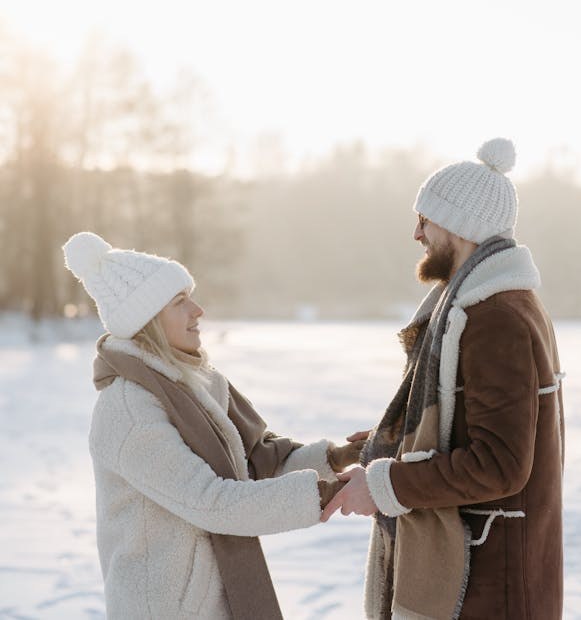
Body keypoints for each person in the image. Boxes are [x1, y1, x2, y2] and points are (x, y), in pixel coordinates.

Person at [322, 138, 566, 619]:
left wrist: (386, 485)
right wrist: (395, 442)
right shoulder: (487, 306)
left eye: (425, 219)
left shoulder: (496, 318)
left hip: (491, 585)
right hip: (485, 579)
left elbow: (499, 464)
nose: (417, 233)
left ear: (460, 225)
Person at [62, 232, 364, 620]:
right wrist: (326, 494)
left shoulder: (199, 384)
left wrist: (342, 456)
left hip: (219, 599)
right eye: (180, 302)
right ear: (148, 320)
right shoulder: (128, 409)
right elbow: (210, 501)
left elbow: (254, 465)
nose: (198, 310)